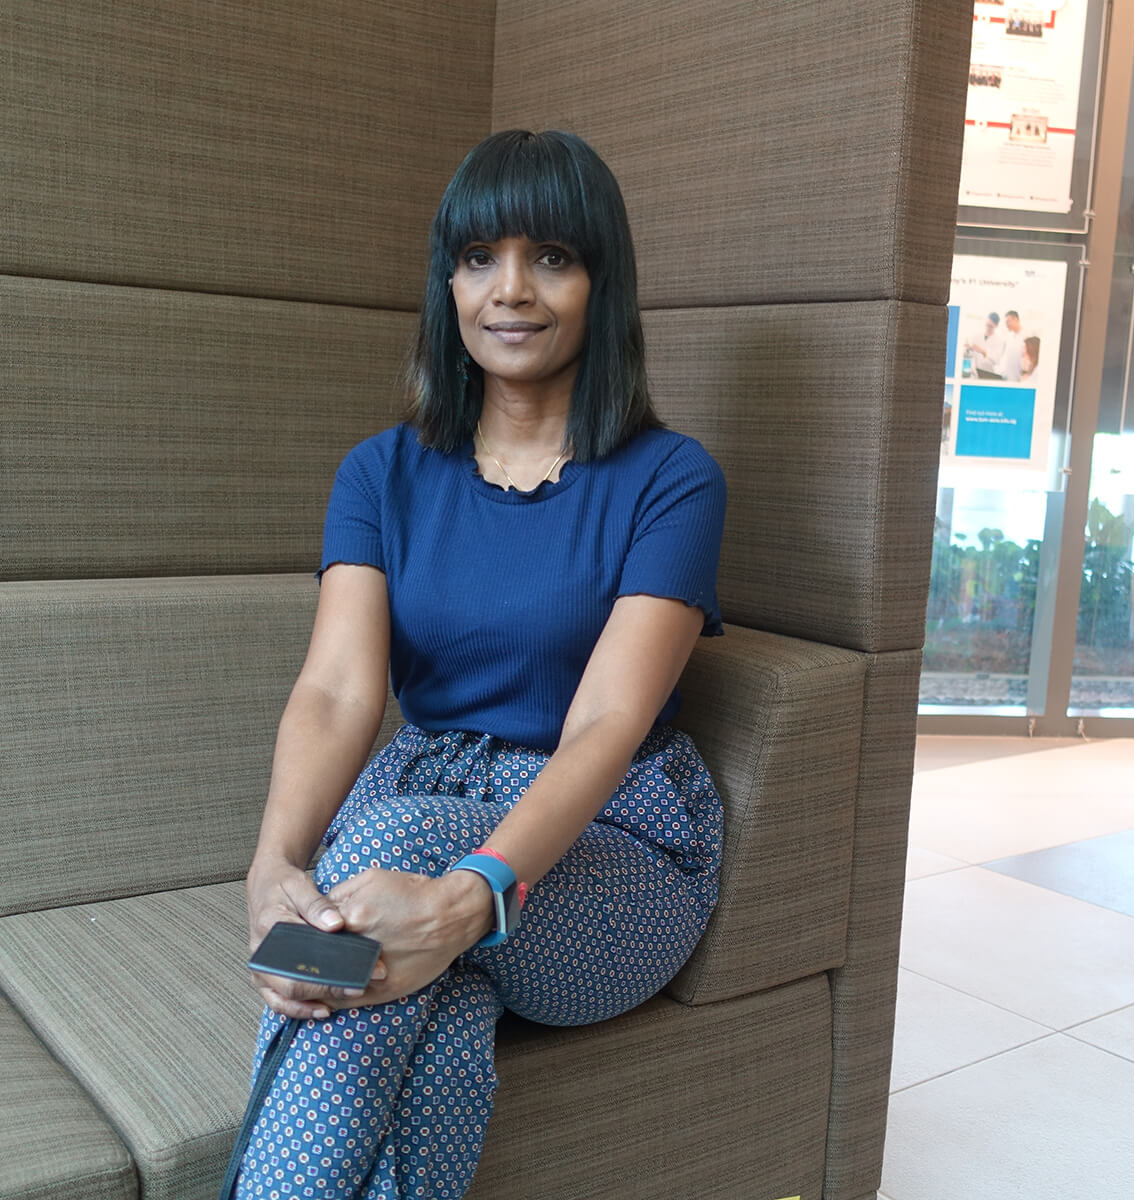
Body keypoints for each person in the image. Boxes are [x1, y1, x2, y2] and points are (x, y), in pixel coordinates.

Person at [232, 129, 727, 1199]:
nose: (511, 291)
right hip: (420, 803)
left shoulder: (670, 480)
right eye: (477, 259)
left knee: (384, 884)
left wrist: (469, 898)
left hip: (607, 853)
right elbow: (337, 687)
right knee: (428, 1012)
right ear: (445, 282)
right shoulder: (381, 472)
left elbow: (605, 725)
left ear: (603, 282)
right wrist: (273, 865)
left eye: (551, 257)